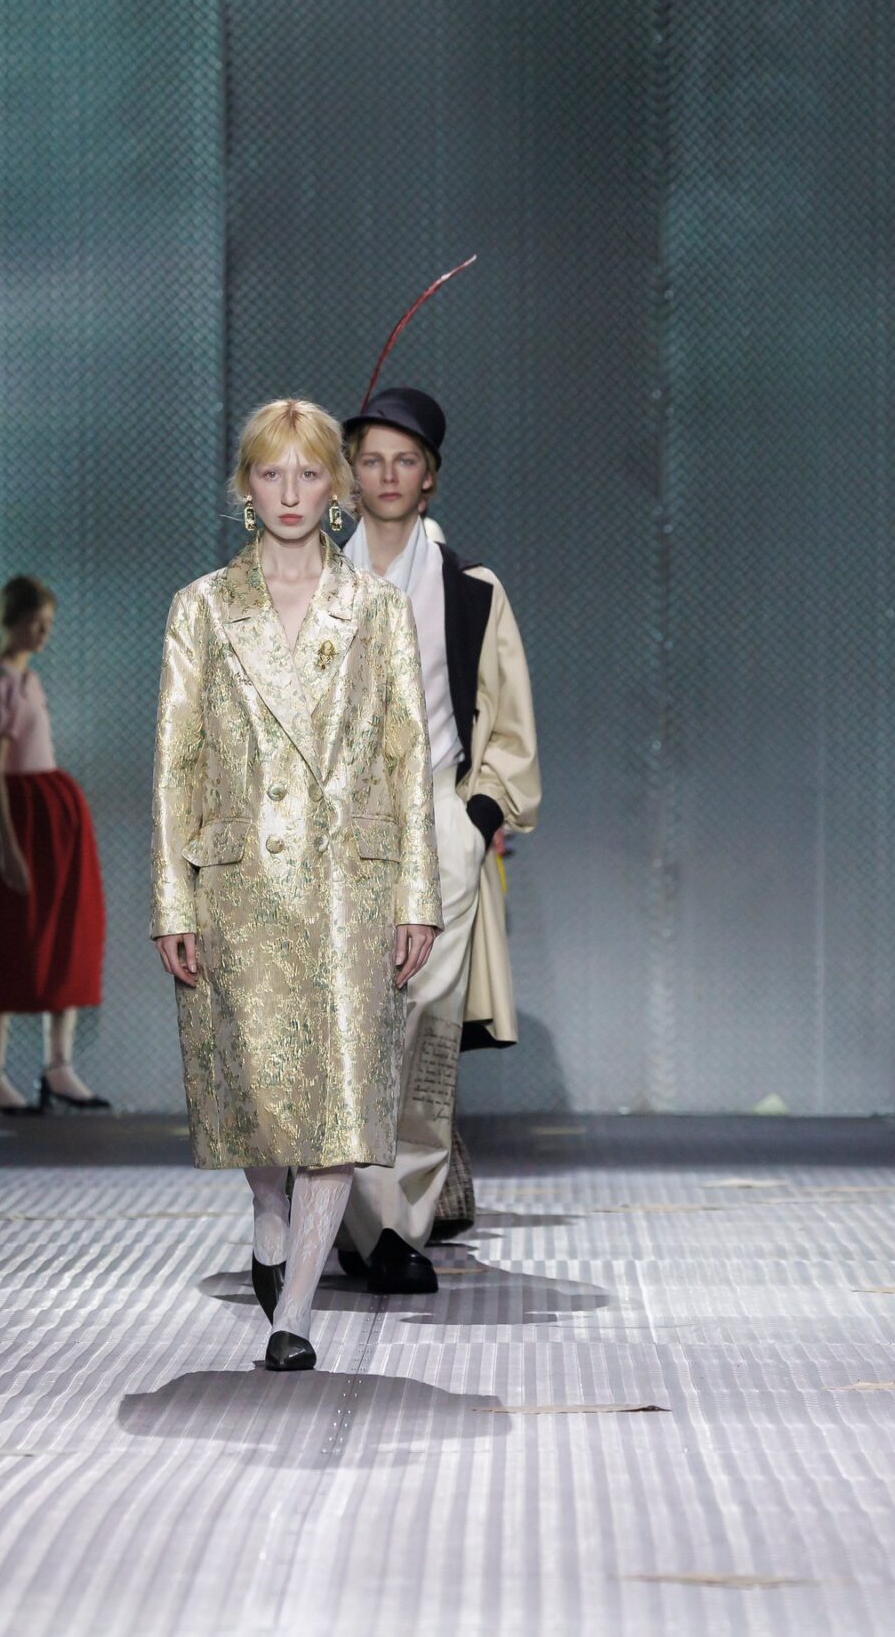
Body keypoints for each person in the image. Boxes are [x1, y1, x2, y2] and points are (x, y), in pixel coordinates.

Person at [150, 398, 441, 1372]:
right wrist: (172, 898)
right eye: (271, 473)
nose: (289, 492)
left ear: (337, 487)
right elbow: (175, 764)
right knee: (260, 1102)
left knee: (338, 1105)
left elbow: (407, 757)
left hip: (347, 887)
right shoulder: (201, 608)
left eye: (309, 473)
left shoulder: (377, 609)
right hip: (240, 887)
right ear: (246, 486)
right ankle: (268, 1213)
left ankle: (297, 1314)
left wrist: (416, 894)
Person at [337, 387, 540, 1289]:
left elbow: (511, 727)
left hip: (437, 821)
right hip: (332, 829)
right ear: (351, 474)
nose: (387, 475)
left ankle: (395, 1226)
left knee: (422, 1028)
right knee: (343, 1025)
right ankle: (347, 1218)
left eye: (405, 460)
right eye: (372, 459)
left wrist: (473, 819)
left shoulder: (472, 590)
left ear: (430, 477)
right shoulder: (306, 580)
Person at [0, 575, 109, 1114]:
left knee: (69, 933)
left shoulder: (28, 679)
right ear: (12, 621)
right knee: (8, 939)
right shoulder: (2, 684)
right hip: (21, 816)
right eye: (36, 624)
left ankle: (58, 1065)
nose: (44, 634)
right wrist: (8, 846)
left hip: (51, 815)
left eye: (48, 624)